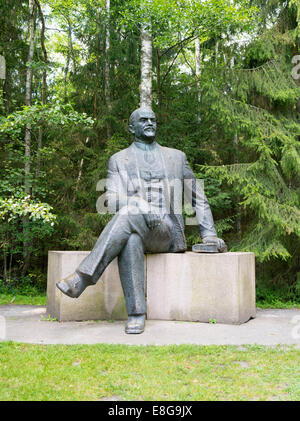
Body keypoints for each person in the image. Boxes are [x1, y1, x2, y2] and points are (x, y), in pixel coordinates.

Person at [57, 107, 227, 334]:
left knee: (128, 216)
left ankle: (82, 277)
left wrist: (209, 234)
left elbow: (197, 196)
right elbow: (111, 199)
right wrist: (140, 204)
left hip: (165, 231)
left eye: (153, 120)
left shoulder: (176, 157)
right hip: (136, 227)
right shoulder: (118, 160)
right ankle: (136, 314)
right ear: (131, 127)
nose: (149, 123)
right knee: (131, 239)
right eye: (143, 120)